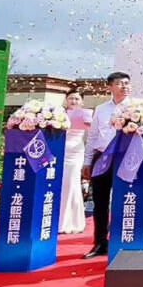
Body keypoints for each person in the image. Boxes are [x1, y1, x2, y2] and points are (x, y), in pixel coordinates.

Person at [81, 71, 132, 258]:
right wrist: (88, 161)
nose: (124, 86)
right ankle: (100, 243)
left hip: (126, 160)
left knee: (125, 200)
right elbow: (93, 136)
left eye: (127, 83)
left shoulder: (137, 108)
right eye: (119, 83)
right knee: (100, 202)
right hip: (102, 158)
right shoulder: (101, 109)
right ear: (109, 87)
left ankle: (122, 241)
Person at [58, 90, 89, 234]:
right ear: (66, 100)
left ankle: (73, 223)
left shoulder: (85, 114)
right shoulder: (58, 114)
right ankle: (60, 221)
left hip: (75, 153)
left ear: (82, 101)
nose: (73, 101)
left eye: (77, 99)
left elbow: (92, 131)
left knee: (72, 184)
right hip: (59, 151)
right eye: (71, 98)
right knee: (61, 185)